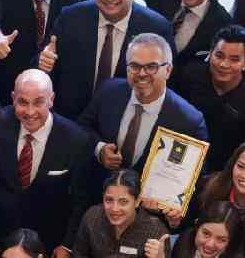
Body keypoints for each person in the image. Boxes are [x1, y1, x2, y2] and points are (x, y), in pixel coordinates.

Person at [0, 69, 97, 256]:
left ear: (51, 99)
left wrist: (67, 245)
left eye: (38, 102)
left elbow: (81, 200)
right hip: (1, 227)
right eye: (22, 102)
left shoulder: (77, 140)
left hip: (48, 234)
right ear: (13, 98)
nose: (30, 112)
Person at [76, 32, 208, 202]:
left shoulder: (189, 121)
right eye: (135, 66)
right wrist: (99, 149)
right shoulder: (109, 91)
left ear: (168, 70)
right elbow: (81, 127)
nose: (142, 73)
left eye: (151, 67)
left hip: (147, 213)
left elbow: (192, 179)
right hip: (95, 197)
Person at [44, 0, 172, 120]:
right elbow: (43, 62)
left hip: (123, 124)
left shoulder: (156, 27)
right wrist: (43, 62)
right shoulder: (70, 17)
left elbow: (167, 85)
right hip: (70, 122)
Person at [169, 25, 245, 176]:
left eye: (234, 59)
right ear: (210, 54)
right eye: (219, 56)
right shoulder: (189, 75)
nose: (224, 64)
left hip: (219, 173)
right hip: (177, 156)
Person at [68, 172, 170, 258]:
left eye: (123, 202)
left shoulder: (156, 231)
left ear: (137, 201)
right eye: (109, 200)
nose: (115, 209)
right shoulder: (93, 218)